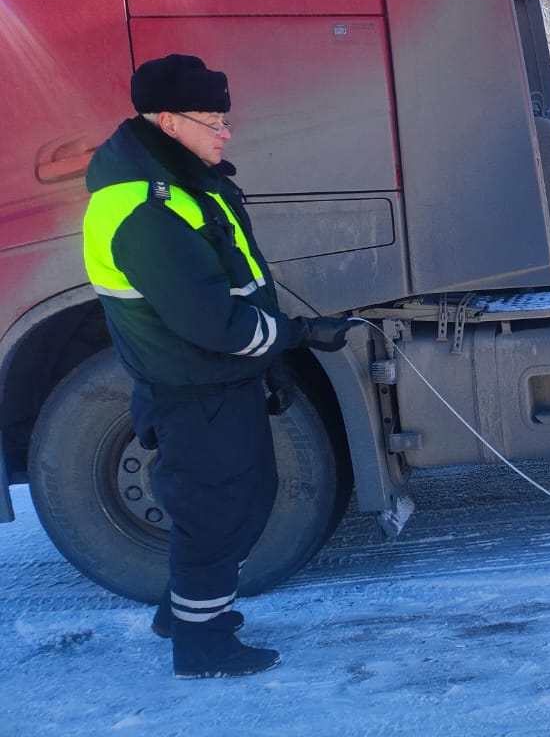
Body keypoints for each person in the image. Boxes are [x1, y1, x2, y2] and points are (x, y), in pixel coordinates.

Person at [82, 54, 358, 676]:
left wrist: (275, 358)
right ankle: (201, 645)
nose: (226, 132)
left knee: (244, 499)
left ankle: (182, 612)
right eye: (213, 120)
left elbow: (234, 286)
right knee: (217, 510)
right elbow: (212, 321)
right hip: (192, 386)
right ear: (168, 121)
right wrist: (298, 335)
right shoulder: (144, 209)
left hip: (215, 379)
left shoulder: (180, 184)